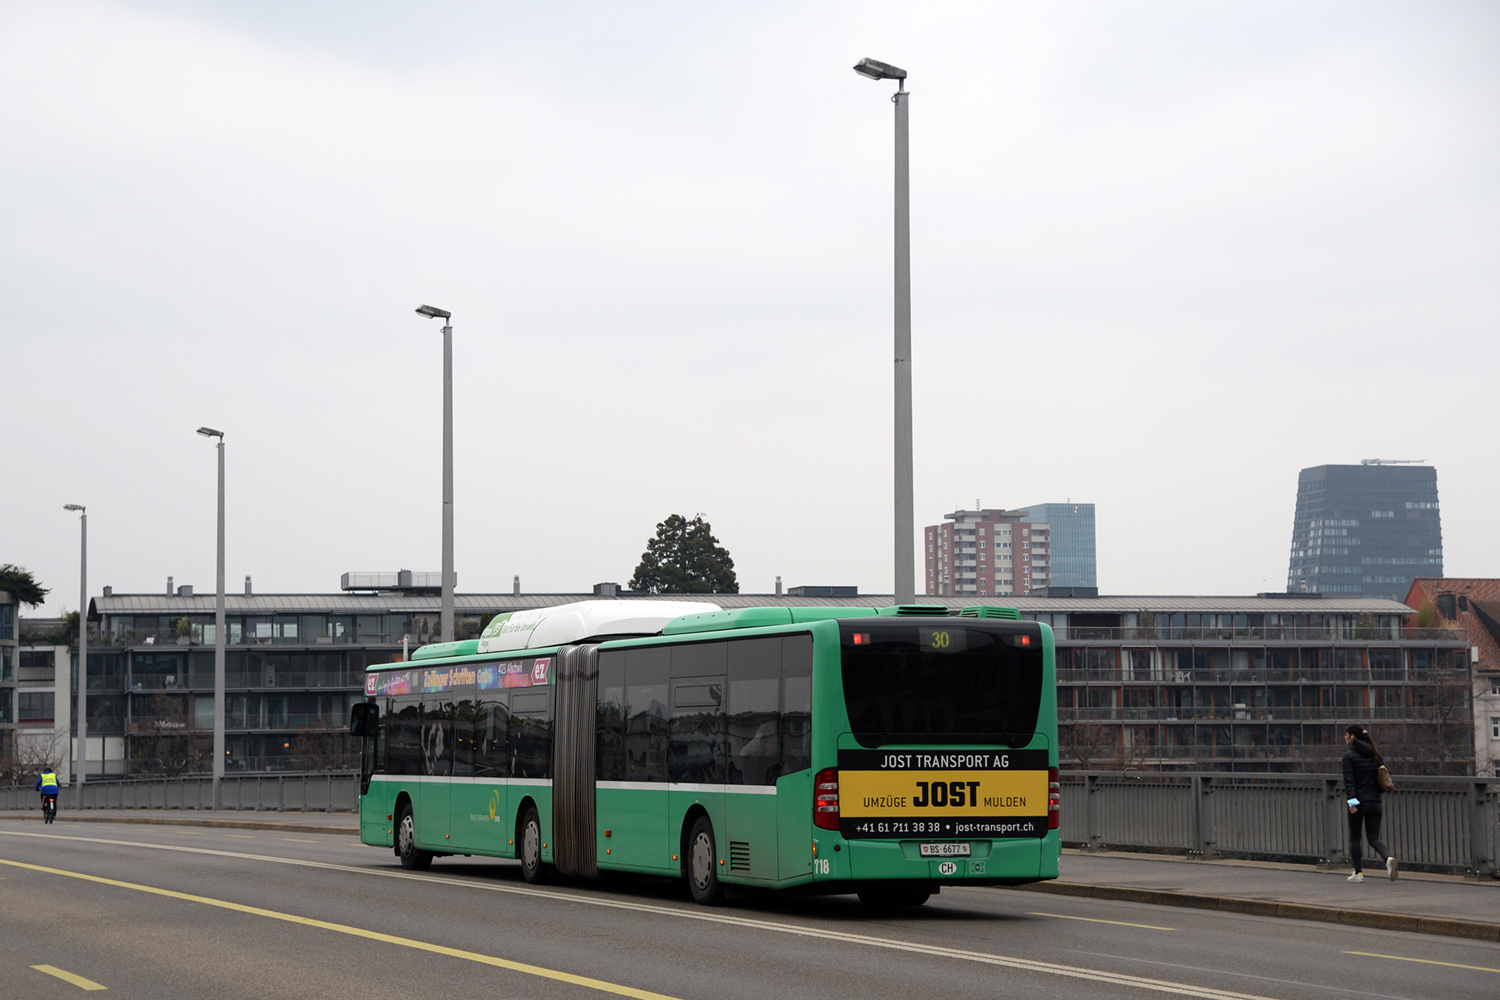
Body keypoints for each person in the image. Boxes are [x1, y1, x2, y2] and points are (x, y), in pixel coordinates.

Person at [1341, 724, 1396, 882]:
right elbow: (1386, 773)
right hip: (1375, 801)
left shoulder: (1348, 757)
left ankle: (1358, 873)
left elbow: (1349, 782)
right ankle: (1387, 858)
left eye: (1346, 735)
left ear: (1353, 737)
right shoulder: (1375, 753)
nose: (1345, 738)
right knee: (1373, 838)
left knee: (1355, 837)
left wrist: (1352, 803)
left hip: (1359, 801)